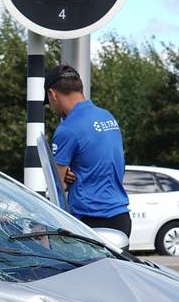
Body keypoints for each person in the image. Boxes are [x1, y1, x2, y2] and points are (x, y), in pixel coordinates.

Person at [44, 64, 131, 237]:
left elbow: (58, 186)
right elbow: (101, 160)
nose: (52, 108)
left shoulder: (67, 128)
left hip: (92, 222)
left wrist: (65, 179)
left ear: (53, 94)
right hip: (121, 218)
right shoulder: (107, 116)